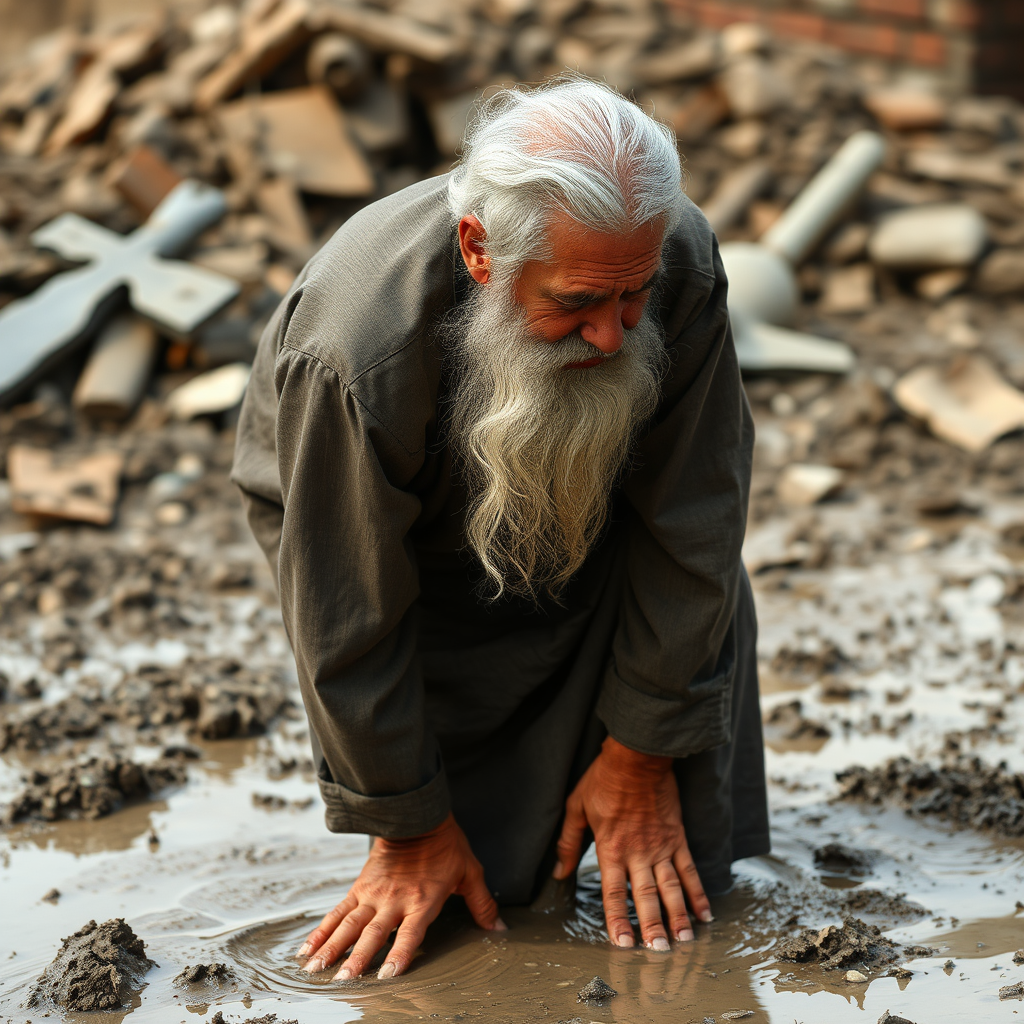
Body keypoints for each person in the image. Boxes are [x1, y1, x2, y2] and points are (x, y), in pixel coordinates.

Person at [231, 76, 769, 984]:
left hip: (611, 543)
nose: (610, 335)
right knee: (472, 904)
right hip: (405, 562)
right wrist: (404, 823)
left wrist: (641, 751)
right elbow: (346, 607)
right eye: (576, 303)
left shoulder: (674, 252)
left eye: (634, 295)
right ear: (480, 252)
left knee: (687, 892)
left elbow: (697, 514)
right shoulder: (355, 349)